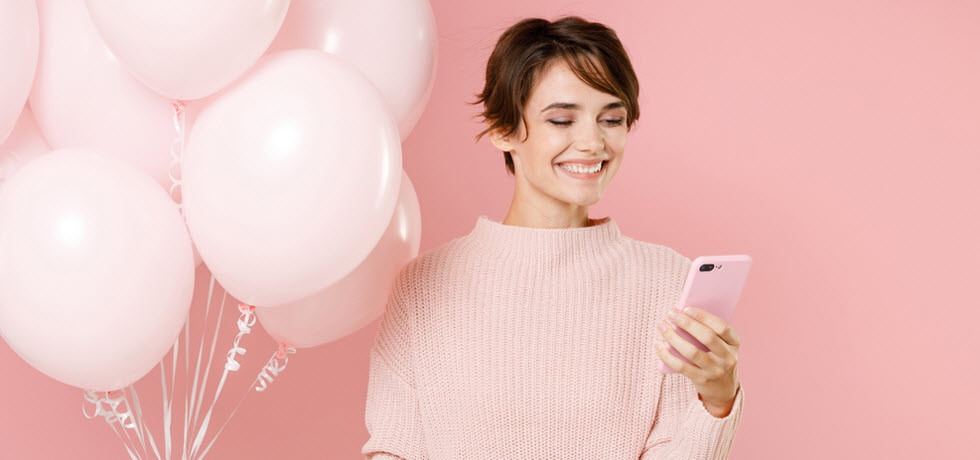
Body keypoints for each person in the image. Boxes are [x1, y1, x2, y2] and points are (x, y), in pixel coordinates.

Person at [362, 15, 744, 459]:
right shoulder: (422, 287)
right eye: (562, 120)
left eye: (612, 119)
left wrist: (718, 400)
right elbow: (393, 450)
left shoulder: (669, 282)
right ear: (503, 129)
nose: (592, 143)